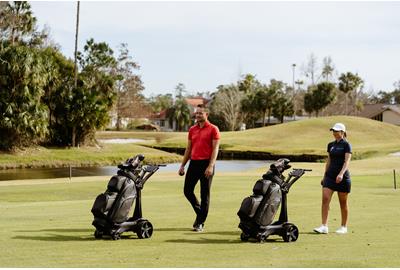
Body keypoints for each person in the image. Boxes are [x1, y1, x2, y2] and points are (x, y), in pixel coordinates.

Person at [178, 105, 220, 232]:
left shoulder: (213, 129)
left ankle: (200, 222)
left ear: (207, 115)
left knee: (204, 194)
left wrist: (210, 166)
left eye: (200, 113)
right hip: (194, 163)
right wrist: (182, 165)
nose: (198, 115)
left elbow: (215, 149)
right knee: (187, 190)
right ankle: (200, 213)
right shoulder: (192, 129)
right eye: (197, 113)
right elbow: (188, 149)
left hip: (206, 164)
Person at [314, 123, 352, 234]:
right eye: (333, 131)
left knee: (343, 203)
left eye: (336, 131)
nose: (334, 133)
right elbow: (329, 161)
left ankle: (343, 226)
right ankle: (324, 226)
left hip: (342, 178)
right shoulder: (330, 145)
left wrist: (341, 174)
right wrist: (324, 176)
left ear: (342, 132)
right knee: (325, 199)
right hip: (330, 177)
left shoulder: (346, 145)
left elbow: (347, 161)